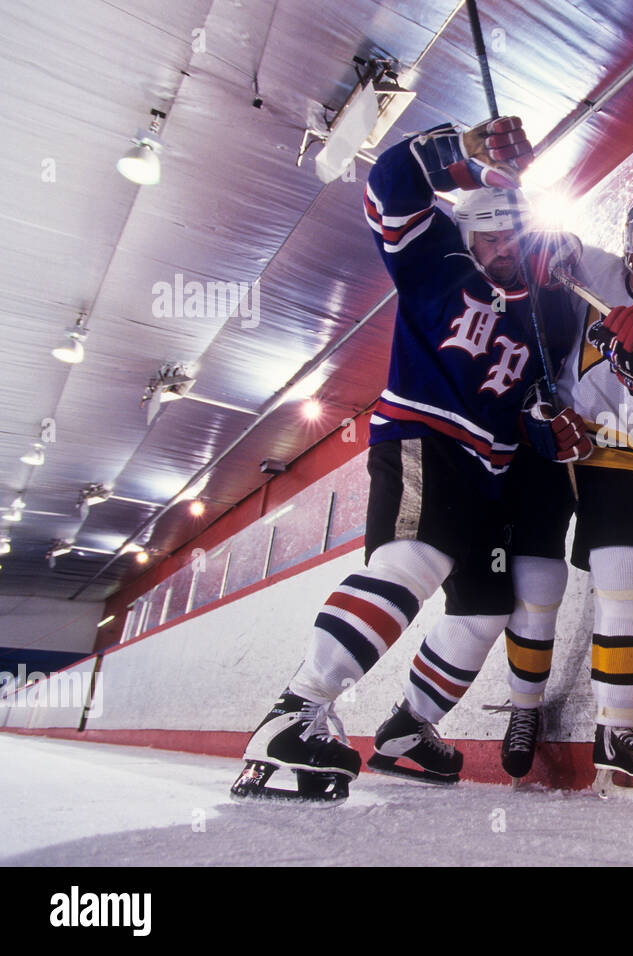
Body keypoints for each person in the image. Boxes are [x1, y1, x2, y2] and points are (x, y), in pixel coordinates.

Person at [231, 116, 590, 803]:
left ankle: (407, 728)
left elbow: (532, 405)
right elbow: (388, 187)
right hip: (423, 440)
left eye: (516, 236)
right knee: (409, 564)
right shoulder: (436, 259)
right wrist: (460, 152)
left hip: (489, 476)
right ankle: (294, 709)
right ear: (469, 231)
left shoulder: (545, 317)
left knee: (485, 612)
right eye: (493, 234)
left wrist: (550, 428)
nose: (505, 247)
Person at [498, 194, 633, 802]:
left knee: (629, 571)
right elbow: (547, 248)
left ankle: (615, 732)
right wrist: (536, 247)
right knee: (537, 576)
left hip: (622, 441)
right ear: (628, 239)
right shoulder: (589, 267)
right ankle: (524, 708)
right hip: (555, 426)